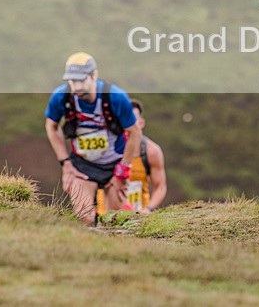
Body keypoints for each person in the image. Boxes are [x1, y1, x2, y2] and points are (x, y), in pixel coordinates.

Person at [45, 52, 141, 225]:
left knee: (113, 221)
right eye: (72, 81)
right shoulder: (61, 97)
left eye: (82, 80)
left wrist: (123, 170)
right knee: (84, 218)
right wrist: (65, 163)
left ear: (94, 75)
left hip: (114, 165)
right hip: (82, 166)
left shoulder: (116, 97)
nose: (77, 87)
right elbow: (51, 126)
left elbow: (134, 133)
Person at [95, 99, 167, 215]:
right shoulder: (104, 148)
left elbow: (160, 187)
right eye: (124, 119)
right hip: (103, 215)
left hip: (138, 215)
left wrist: (148, 210)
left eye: (132, 119)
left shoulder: (151, 151)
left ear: (141, 123)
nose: (128, 124)